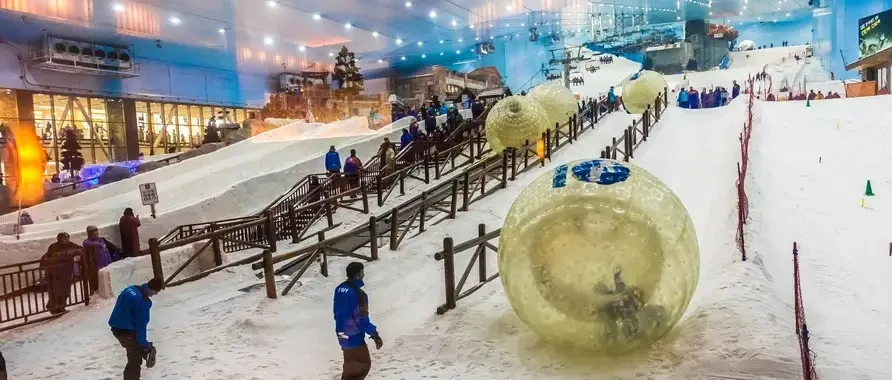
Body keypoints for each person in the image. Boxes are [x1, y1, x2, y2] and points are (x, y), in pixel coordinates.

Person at [334, 262, 383, 380]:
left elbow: (337, 311)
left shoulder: (339, 289)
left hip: (341, 334)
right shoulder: (359, 294)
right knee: (362, 365)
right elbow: (362, 320)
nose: (364, 274)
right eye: (362, 272)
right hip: (353, 336)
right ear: (357, 275)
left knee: (351, 367)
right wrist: (374, 334)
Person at [109, 278, 163, 380]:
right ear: (153, 289)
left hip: (116, 325)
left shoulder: (131, 289)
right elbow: (141, 327)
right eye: (156, 291)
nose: (155, 294)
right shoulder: (142, 302)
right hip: (125, 331)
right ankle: (144, 353)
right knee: (135, 359)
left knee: (136, 349)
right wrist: (145, 345)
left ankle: (144, 352)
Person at [41, 232, 82, 314]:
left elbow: (81, 249)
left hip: (66, 272)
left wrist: (68, 253)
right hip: (56, 273)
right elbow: (49, 256)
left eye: (67, 238)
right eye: (64, 238)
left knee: (66, 291)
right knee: (56, 291)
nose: (66, 240)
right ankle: (54, 308)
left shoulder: (71, 245)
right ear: (59, 239)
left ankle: (61, 307)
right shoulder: (53, 246)